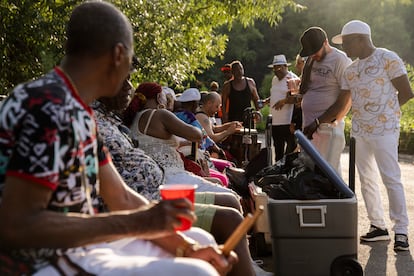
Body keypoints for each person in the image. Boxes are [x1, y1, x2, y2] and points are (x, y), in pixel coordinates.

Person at [0, 2, 237, 275]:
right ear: (117, 54)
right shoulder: (47, 107)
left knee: (201, 243)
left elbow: (121, 197)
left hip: (76, 247)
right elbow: (17, 226)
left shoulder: (78, 110)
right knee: (198, 272)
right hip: (39, 261)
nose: (131, 74)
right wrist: (139, 222)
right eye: (132, 62)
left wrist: (187, 248)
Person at [94, 78, 262, 276]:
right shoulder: (88, 122)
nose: (129, 86)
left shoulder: (115, 120)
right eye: (125, 78)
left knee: (224, 204)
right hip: (159, 191)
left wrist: (185, 246)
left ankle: (245, 264)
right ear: (159, 97)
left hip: (154, 192)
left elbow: (121, 193)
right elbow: (198, 135)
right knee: (229, 211)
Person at [332, 19, 413, 251]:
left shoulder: (388, 58)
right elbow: (343, 102)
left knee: (391, 177)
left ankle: (401, 230)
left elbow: (407, 92)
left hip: (385, 129)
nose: (345, 48)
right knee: (366, 179)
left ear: (361, 39)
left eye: (347, 43)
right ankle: (378, 226)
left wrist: (387, 113)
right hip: (359, 132)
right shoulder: (351, 69)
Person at [299, 26, 352, 175]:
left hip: (328, 127)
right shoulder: (311, 60)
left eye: (315, 52)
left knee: (328, 173)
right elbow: (305, 88)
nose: (313, 56)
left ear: (325, 42)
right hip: (308, 125)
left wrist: (318, 122)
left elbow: (345, 100)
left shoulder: (340, 60)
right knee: (309, 171)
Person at [264, 54, 300, 161]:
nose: (276, 70)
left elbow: (297, 98)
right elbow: (276, 93)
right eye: (274, 68)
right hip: (276, 121)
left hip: (288, 122)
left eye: (278, 67)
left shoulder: (292, 79)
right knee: (278, 150)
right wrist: (269, 100)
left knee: (290, 152)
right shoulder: (275, 79)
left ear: (285, 66)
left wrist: (284, 101)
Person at [221, 60, 261, 127]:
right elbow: (223, 103)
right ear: (232, 72)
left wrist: (258, 112)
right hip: (233, 119)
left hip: (248, 117)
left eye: (241, 69)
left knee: (249, 136)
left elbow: (256, 99)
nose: (239, 71)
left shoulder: (250, 82)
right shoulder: (227, 85)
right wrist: (225, 117)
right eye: (236, 70)